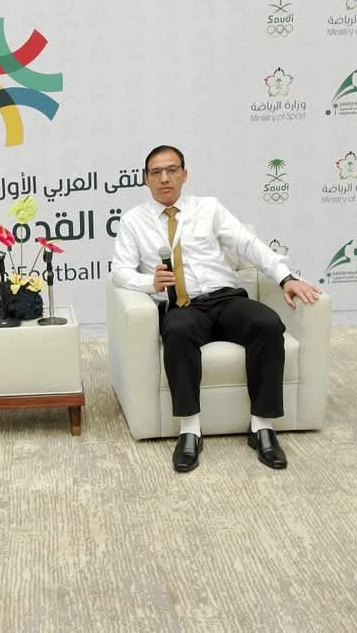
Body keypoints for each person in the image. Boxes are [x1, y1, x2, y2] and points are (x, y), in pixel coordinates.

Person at [110, 145, 321, 472]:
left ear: (185, 174)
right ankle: (190, 430)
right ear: (146, 179)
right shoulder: (133, 221)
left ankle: (262, 426)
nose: (164, 178)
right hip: (183, 305)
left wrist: (285, 277)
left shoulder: (208, 208)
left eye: (172, 170)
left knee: (267, 323)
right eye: (156, 172)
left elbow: (247, 244)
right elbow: (119, 272)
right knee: (177, 331)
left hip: (226, 300)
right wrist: (149, 282)